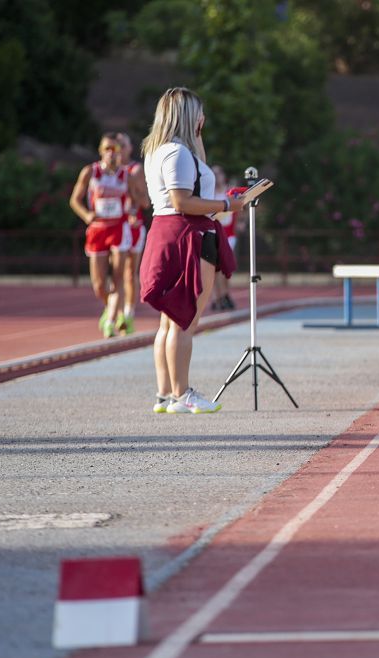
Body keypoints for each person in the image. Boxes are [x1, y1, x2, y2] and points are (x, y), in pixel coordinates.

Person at [140, 87, 245, 414]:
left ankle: (165, 394)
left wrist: (196, 138)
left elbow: (190, 184)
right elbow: (182, 201)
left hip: (169, 231)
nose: (204, 118)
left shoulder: (162, 150)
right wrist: (228, 203)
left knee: (169, 322)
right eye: (199, 113)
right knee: (185, 319)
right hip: (187, 233)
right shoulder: (177, 153)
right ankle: (182, 393)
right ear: (188, 116)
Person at [69, 133, 129, 338]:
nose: (111, 153)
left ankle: (112, 319)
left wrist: (134, 206)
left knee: (118, 277)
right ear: (101, 151)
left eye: (115, 149)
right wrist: (86, 214)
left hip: (119, 228)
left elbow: (141, 199)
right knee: (98, 285)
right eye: (107, 149)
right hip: (97, 230)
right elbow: (75, 200)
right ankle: (110, 307)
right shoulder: (90, 172)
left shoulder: (126, 174)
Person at [115, 132, 151, 334]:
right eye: (115, 144)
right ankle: (113, 310)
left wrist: (130, 187)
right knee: (114, 274)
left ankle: (127, 314)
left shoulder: (136, 170)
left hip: (133, 226)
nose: (119, 148)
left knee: (129, 273)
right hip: (111, 227)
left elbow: (145, 202)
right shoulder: (102, 171)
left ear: (129, 148)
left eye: (123, 144)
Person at [210, 164, 239, 311]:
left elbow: (239, 209)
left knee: (224, 267)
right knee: (215, 269)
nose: (216, 177)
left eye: (218, 174)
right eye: (213, 174)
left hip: (228, 235)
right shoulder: (209, 193)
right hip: (214, 234)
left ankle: (224, 295)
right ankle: (218, 297)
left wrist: (241, 223)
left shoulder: (229, 192)